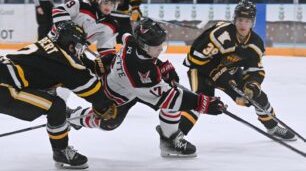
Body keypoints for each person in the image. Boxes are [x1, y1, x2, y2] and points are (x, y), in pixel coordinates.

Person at [68, 18, 225, 157]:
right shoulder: (141, 70)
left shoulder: (133, 42)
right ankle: (73, 117)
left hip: (130, 86)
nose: (161, 49)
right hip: (116, 97)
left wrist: (161, 66)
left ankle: (169, 140)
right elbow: (169, 98)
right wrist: (204, 104)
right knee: (108, 123)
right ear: (144, 45)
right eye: (157, 46)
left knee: (174, 93)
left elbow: (126, 37)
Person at [0, 21, 117, 169]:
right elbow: (87, 85)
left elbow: (69, 69)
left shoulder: (48, 47)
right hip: (5, 88)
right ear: (69, 43)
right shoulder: (60, 58)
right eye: (77, 46)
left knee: (54, 103)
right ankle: (61, 150)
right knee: (56, 106)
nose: (78, 50)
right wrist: (104, 104)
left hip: (6, 79)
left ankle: (62, 120)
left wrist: (95, 66)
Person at [180, 1, 296, 141]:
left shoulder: (255, 43)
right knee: (200, 101)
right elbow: (195, 58)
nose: (243, 24)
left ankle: (272, 127)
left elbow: (255, 70)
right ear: (234, 20)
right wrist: (218, 74)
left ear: (252, 23)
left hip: (229, 73)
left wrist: (252, 84)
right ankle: (174, 137)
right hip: (201, 70)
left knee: (258, 96)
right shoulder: (220, 35)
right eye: (240, 20)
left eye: (247, 21)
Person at [52, 0, 119, 57]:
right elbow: (58, 9)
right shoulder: (82, 5)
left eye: (112, 4)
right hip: (54, 40)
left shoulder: (111, 25)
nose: (108, 7)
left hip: (74, 51)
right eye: (105, 3)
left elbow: (105, 49)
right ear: (99, 1)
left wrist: (106, 59)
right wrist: (66, 27)